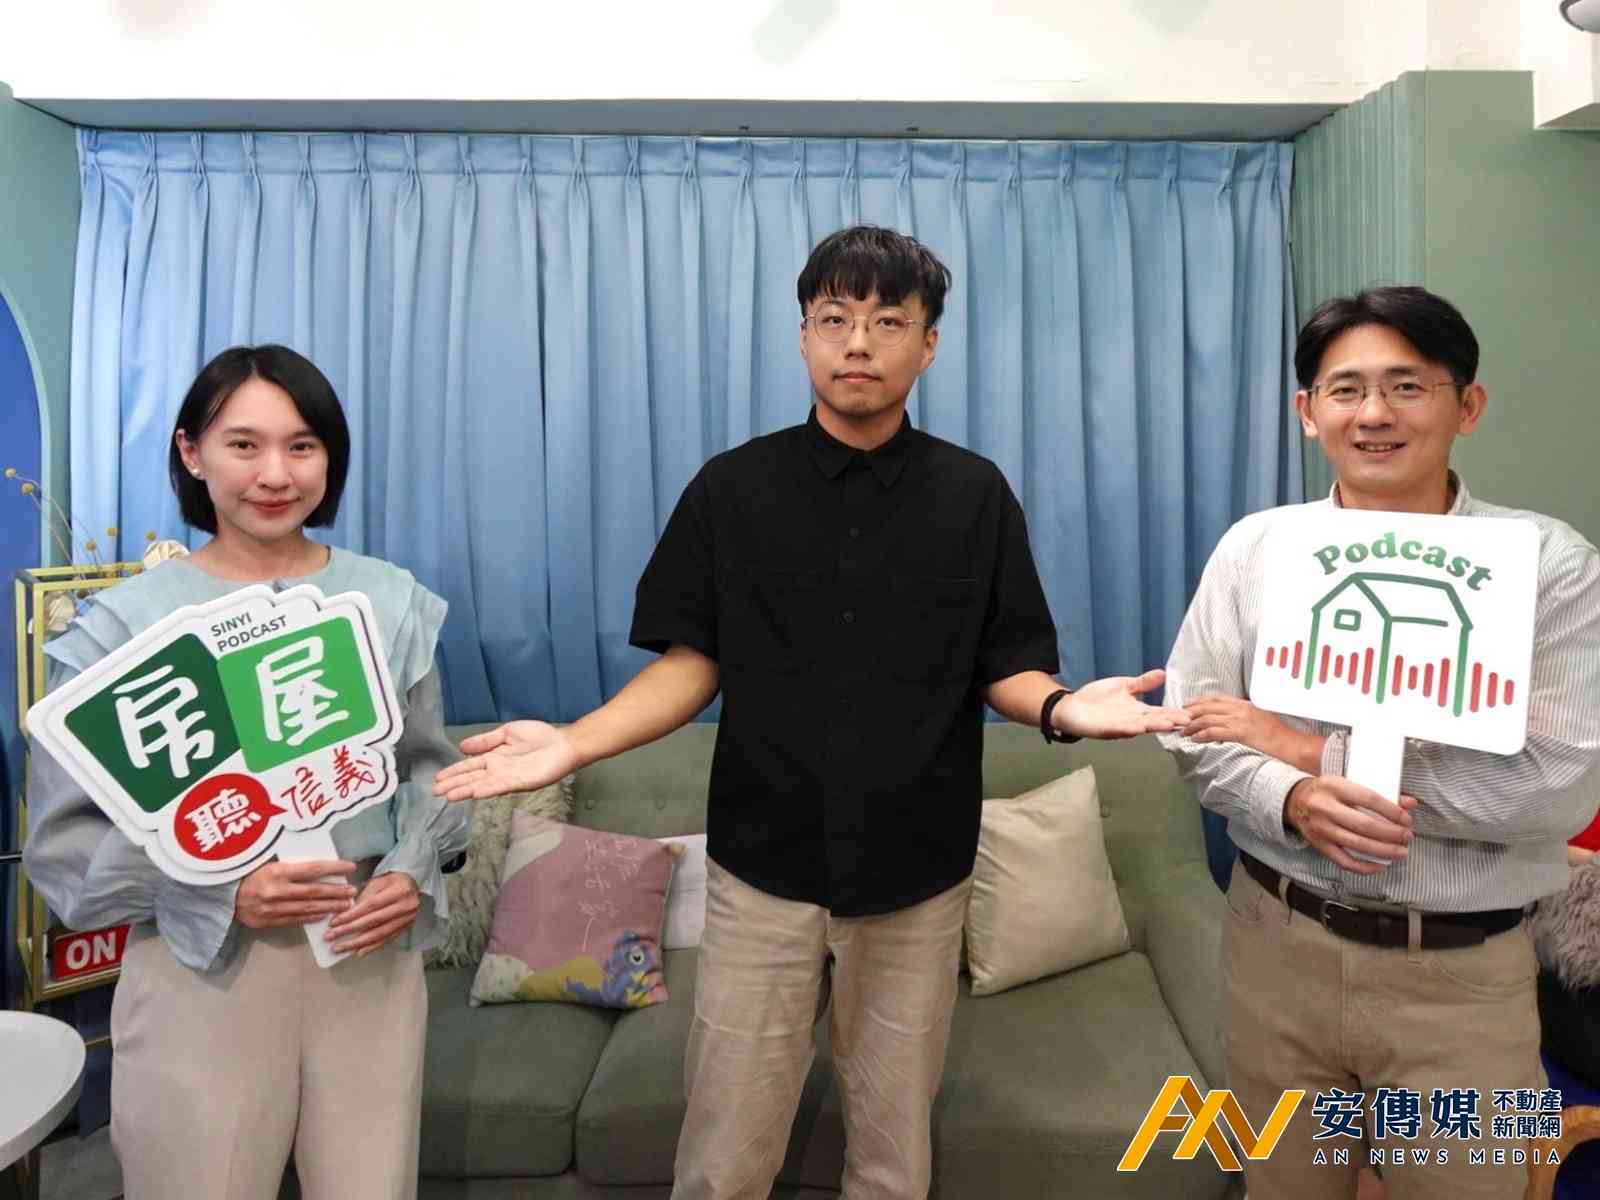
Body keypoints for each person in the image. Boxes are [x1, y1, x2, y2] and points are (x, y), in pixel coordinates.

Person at [436, 225, 1188, 1199]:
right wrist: (572, 744)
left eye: (888, 321)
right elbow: (691, 664)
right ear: (803, 336)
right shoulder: (732, 489)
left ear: (928, 344)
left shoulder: (973, 495)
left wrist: (1063, 709)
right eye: (835, 319)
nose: (858, 342)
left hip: (917, 872)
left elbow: (1007, 667)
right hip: (764, 866)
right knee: (724, 1151)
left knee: (891, 1149)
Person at [1160, 286, 1600, 1199]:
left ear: (1467, 405)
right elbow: (1195, 729)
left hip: (1464, 978)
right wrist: (1289, 797)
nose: (1373, 414)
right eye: (1346, 389)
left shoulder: (1551, 565)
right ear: (1308, 411)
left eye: (1407, 386)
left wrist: (1309, 753)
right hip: (1274, 948)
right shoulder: (1256, 549)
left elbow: (1556, 788)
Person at [24, 345, 470, 1200]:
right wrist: (220, 890)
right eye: (243, 445)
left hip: (366, 953)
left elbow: (429, 771)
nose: (275, 474)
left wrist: (411, 870)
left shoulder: (388, 602)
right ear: (191, 453)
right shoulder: (121, 630)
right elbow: (61, 844)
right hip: (202, 972)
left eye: (302, 446)